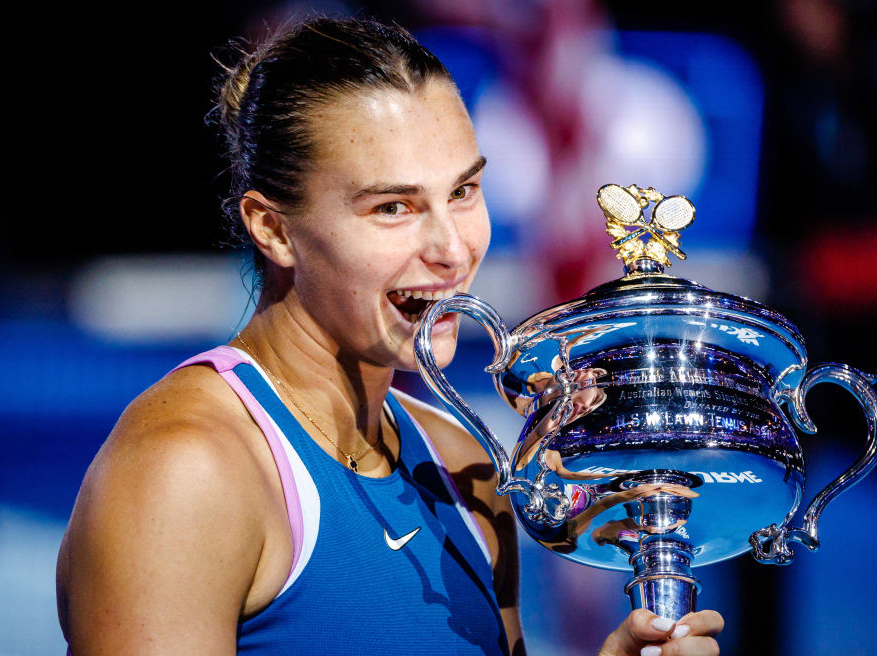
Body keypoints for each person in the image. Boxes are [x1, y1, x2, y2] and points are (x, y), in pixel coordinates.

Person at [55, 16, 724, 656]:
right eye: (393, 207)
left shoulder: (466, 469)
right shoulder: (185, 472)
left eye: (464, 191)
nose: (452, 250)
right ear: (273, 229)